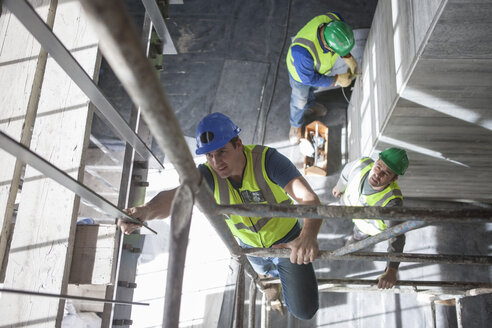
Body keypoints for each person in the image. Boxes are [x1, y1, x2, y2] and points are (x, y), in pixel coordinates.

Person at [119, 112, 322, 320]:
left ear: (238, 144)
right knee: (264, 271)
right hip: (251, 248)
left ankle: (283, 279)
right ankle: (269, 279)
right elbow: (177, 197)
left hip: (287, 243)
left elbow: (308, 198)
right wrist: (146, 211)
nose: (216, 162)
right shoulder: (207, 175)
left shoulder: (268, 161)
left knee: (303, 310)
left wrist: (307, 236)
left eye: (222, 152)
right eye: (209, 156)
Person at [332, 148, 409, 289]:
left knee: (359, 234)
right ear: (376, 161)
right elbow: (345, 174)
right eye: (378, 166)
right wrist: (339, 187)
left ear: (394, 179)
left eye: (385, 173)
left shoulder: (391, 203)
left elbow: (397, 237)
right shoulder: (361, 164)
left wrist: (391, 270)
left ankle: (355, 240)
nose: (377, 174)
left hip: (364, 225)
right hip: (348, 204)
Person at [286, 12, 358, 144]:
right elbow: (309, 79)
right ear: (327, 45)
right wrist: (337, 80)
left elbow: (340, 40)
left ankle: (311, 104)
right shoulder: (302, 52)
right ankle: (295, 125)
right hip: (300, 76)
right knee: (299, 101)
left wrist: (348, 57)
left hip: (317, 70)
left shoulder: (335, 20)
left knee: (312, 90)